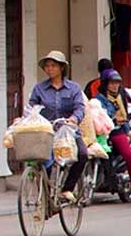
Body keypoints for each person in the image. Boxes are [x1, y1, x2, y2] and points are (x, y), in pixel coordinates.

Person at [28, 50, 88, 202]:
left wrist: (74, 119)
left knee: (82, 155)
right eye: (47, 66)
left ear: (61, 68)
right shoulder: (39, 89)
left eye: (53, 65)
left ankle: (67, 189)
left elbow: (80, 108)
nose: (49, 69)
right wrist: (25, 119)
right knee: (44, 160)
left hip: (68, 131)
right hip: (46, 132)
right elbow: (31, 107)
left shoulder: (73, 88)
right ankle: (46, 196)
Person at [94, 69, 131, 196]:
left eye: (117, 83)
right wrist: (112, 118)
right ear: (105, 84)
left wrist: (129, 132)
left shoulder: (119, 99)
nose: (115, 86)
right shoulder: (98, 100)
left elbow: (124, 118)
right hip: (101, 133)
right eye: (112, 83)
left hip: (116, 132)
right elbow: (97, 114)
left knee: (129, 155)